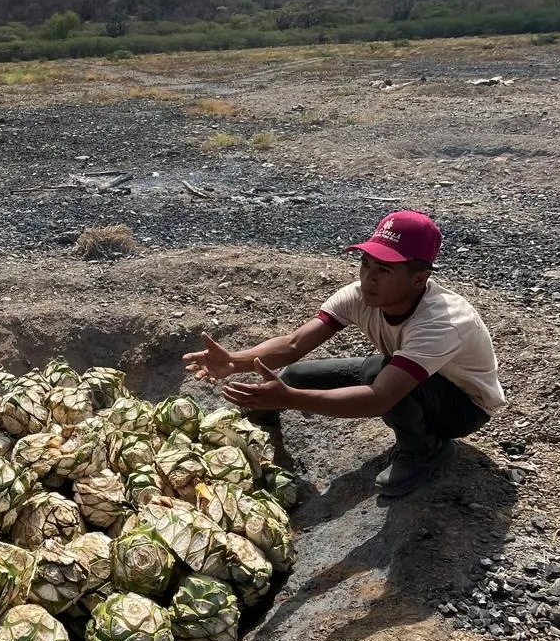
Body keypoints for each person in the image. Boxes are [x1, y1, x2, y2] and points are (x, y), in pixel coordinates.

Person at [184, 210, 505, 498]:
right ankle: (259, 421)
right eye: (365, 263)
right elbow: (295, 344)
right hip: (408, 372)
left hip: (463, 406)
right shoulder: (359, 295)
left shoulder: (442, 322)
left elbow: (379, 397)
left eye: (384, 269)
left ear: (419, 278)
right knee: (294, 375)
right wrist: (234, 361)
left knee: (375, 376)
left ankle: (425, 450)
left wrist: (290, 398)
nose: (369, 277)